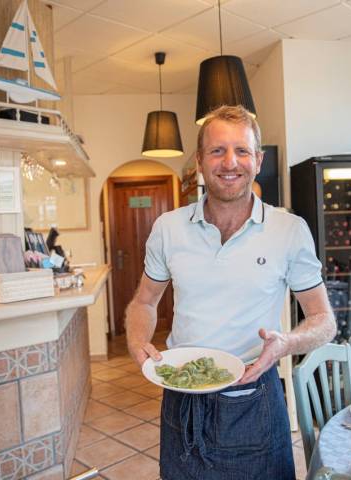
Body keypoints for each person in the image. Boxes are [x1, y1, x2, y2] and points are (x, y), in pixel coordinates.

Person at [125, 105, 337, 480]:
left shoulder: (289, 229)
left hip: (254, 398)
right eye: (217, 150)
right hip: (183, 398)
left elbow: (323, 320)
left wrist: (286, 342)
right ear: (199, 161)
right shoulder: (168, 228)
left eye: (241, 150)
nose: (230, 162)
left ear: (258, 159)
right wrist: (137, 339)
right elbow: (145, 300)